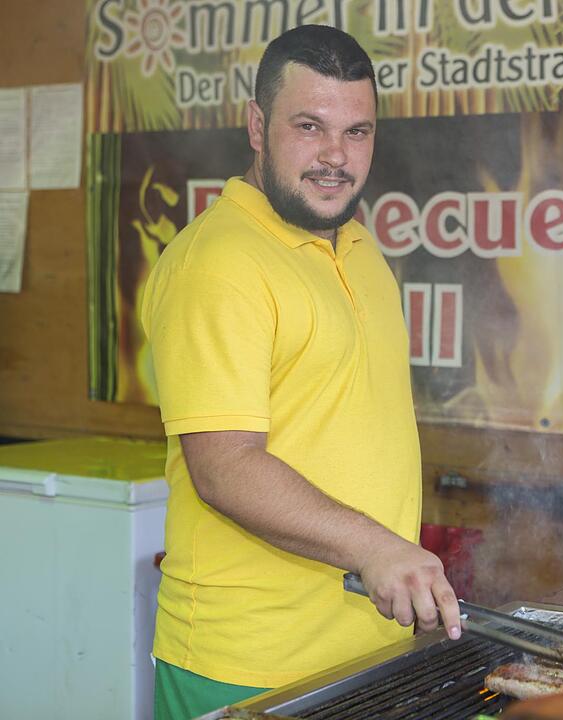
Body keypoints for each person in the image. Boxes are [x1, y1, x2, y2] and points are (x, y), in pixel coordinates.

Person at [140, 25, 461, 720]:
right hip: (248, 666)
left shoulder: (361, 246)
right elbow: (224, 466)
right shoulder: (218, 264)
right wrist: (375, 546)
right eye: (309, 126)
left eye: (357, 132)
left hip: (367, 647)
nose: (335, 156)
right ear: (257, 126)